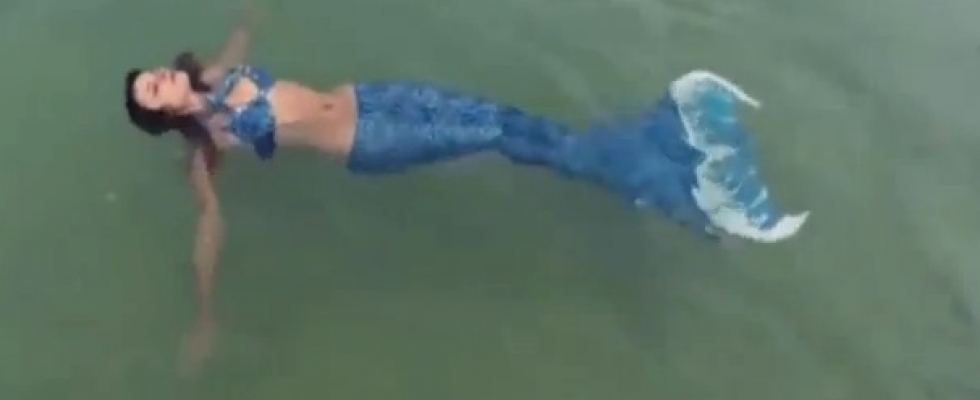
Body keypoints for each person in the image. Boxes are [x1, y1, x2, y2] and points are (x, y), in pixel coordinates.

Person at [125, 8, 808, 373]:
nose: (161, 76)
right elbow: (209, 228)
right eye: (152, 90)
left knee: (506, 119)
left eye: (153, 74)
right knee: (502, 138)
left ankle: (650, 149)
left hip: (374, 97)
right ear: (164, 115)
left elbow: (244, 30)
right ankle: (678, 194)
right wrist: (205, 317)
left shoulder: (212, 74)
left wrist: (253, 11)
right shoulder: (211, 146)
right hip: (372, 140)